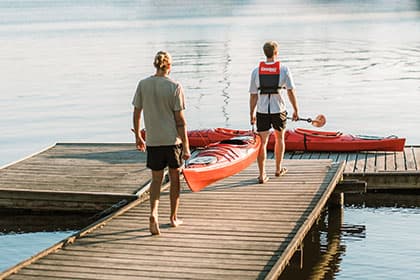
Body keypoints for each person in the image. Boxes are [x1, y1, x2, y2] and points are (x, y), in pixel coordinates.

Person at [132, 51, 191, 235]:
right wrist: (187, 146)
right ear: (169, 66)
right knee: (175, 178)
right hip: (172, 141)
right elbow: (180, 121)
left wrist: (138, 137)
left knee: (156, 179)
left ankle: (153, 214)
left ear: (155, 65)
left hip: (153, 141)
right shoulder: (174, 86)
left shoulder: (143, 84)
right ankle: (173, 217)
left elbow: (136, 113)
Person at [249, 41, 299, 184]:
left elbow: (253, 95)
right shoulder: (284, 69)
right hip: (279, 109)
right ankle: (278, 169)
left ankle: (262, 174)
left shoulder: (255, 71)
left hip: (262, 110)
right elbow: (290, 91)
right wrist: (296, 109)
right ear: (276, 53)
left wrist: (251, 113)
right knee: (279, 139)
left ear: (265, 53)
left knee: (262, 143)